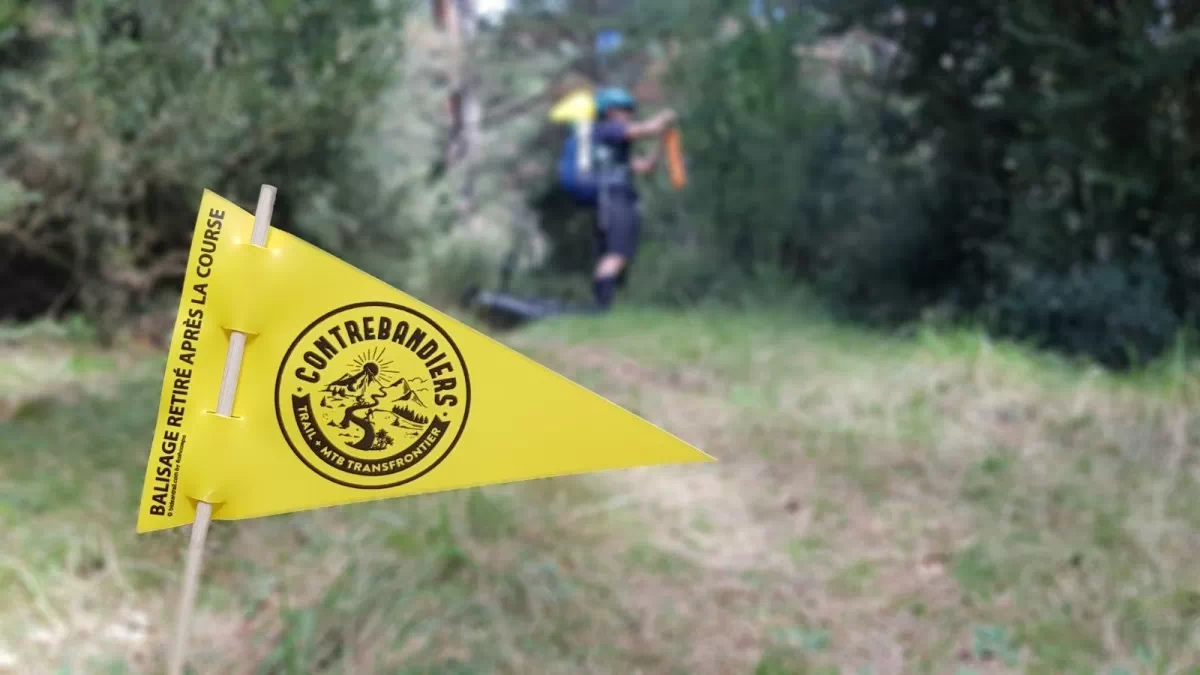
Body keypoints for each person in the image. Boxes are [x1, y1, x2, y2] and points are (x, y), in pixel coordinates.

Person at [589, 87, 677, 310]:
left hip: (616, 198)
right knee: (617, 253)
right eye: (624, 110)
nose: (628, 114)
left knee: (615, 254)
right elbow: (648, 128)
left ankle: (602, 307)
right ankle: (601, 309)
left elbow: (645, 167)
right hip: (614, 198)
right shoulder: (607, 130)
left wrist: (660, 142)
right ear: (609, 111)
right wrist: (666, 117)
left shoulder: (614, 144)